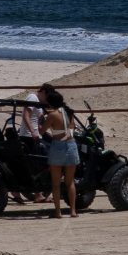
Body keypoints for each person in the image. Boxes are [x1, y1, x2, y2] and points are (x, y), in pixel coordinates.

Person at [39, 85, 79, 217]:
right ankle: (73, 210)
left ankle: (58, 212)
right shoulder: (69, 113)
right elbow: (72, 128)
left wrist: (41, 121)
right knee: (70, 182)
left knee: (56, 184)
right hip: (71, 145)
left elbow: (41, 131)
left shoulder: (52, 115)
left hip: (58, 147)